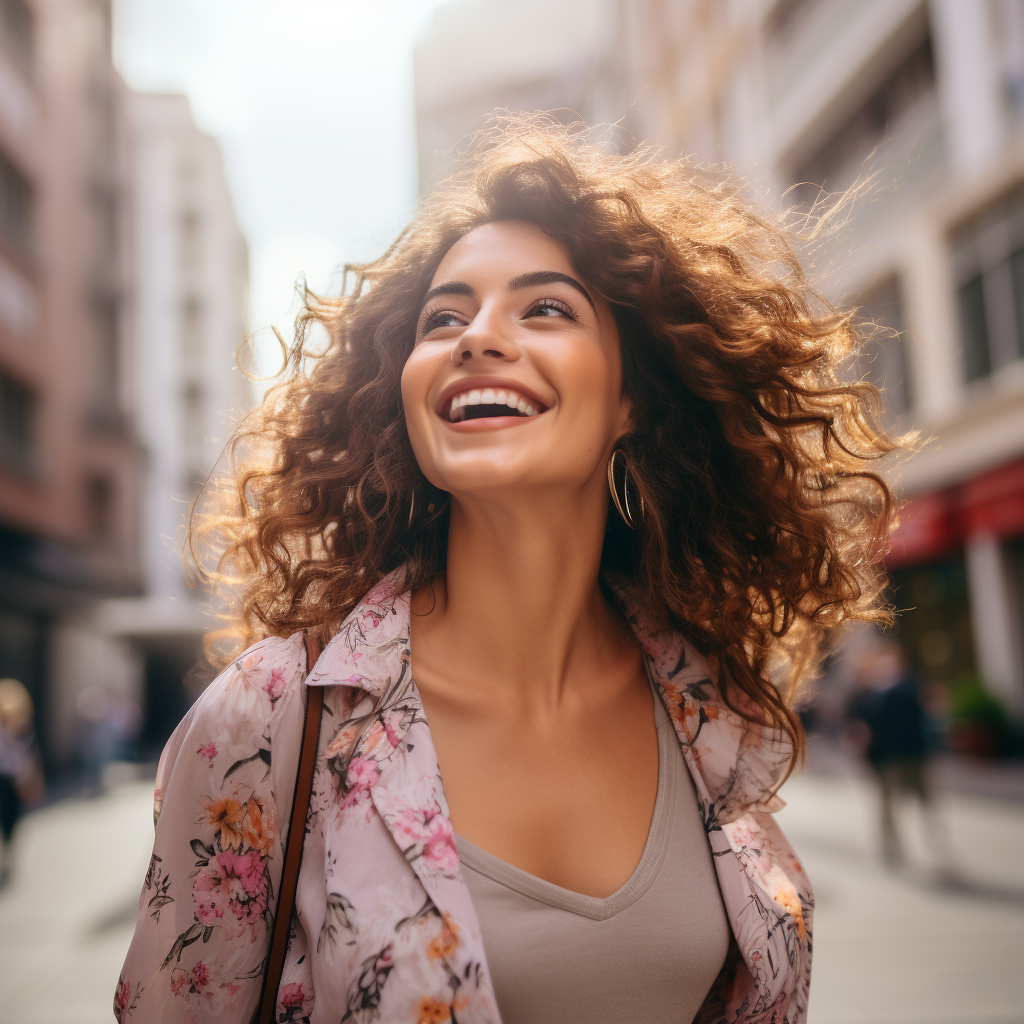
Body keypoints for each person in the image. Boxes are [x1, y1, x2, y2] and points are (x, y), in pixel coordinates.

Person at [117, 121, 901, 1024]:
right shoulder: (270, 719)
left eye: (545, 308)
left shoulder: (709, 705)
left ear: (632, 398)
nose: (476, 337)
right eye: (442, 318)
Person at [847, 640, 944, 866]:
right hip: (887, 757)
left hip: (914, 753)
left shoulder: (911, 685)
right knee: (887, 804)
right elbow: (861, 725)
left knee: (925, 800)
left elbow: (930, 709)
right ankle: (890, 847)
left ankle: (935, 842)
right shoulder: (870, 693)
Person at [0, 677, 44, 886]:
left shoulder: (19, 726)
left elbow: (25, 754)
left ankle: (8, 853)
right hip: (7, 778)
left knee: (10, 819)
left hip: (12, 779)